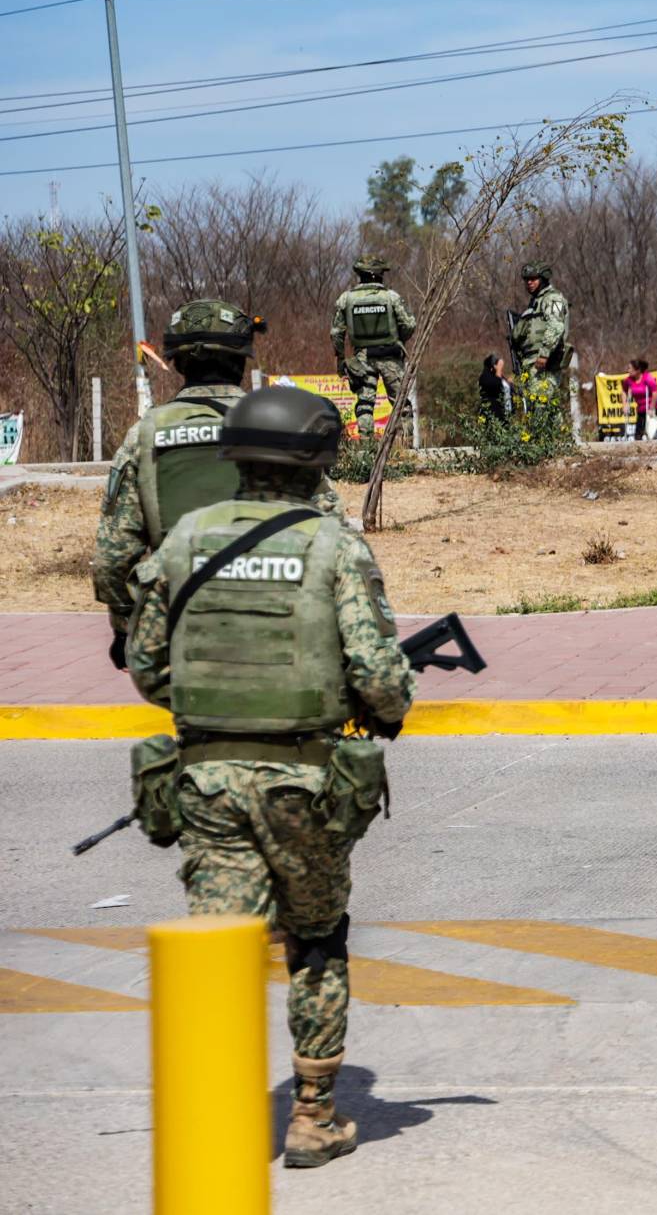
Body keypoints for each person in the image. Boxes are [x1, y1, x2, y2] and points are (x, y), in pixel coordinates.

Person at [125, 385, 416, 1170]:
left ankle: (212, 1115)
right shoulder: (334, 547)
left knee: (219, 950)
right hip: (305, 788)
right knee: (317, 939)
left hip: (207, 785)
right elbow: (381, 678)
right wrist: (384, 705)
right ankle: (313, 1118)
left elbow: (148, 666)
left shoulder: (186, 538)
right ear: (316, 459)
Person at [92, 298, 335, 668]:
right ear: (241, 359)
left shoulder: (145, 435)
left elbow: (112, 559)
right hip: (281, 616)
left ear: (177, 362)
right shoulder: (275, 424)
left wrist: (127, 629)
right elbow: (329, 525)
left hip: (186, 625)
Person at [330, 255, 417, 442]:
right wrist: (399, 340)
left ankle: (364, 450)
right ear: (379, 275)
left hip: (362, 359)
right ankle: (406, 449)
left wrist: (341, 361)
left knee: (364, 405)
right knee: (401, 405)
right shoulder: (391, 297)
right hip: (391, 357)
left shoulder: (346, 299)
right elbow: (409, 324)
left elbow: (336, 333)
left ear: (360, 274)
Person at [509, 260, 571, 410]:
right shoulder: (535, 302)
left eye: (533, 279)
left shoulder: (552, 298)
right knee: (536, 408)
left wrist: (544, 354)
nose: (529, 283)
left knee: (540, 408)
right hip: (532, 363)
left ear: (543, 278)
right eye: (526, 280)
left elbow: (556, 326)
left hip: (544, 363)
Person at [625, 357, 657, 441]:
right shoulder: (629, 380)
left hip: (655, 407)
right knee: (638, 432)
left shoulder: (648, 378)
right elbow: (624, 391)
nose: (628, 370)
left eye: (630, 368)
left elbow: (655, 393)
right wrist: (625, 404)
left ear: (638, 370)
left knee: (653, 430)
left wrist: (651, 408)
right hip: (641, 408)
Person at [477, 353, 510, 424]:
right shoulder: (485, 377)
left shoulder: (499, 376)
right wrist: (499, 370)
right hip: (492, 418)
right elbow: (496, 385)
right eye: (496, 364)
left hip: (505, 416)